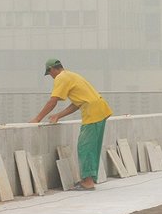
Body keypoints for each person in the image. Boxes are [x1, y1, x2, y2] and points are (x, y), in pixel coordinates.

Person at [30, 58, 113, 191]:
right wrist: (58, 115)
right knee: (92, 147)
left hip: (92, 112)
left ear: (52, 69)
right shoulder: (71, 75)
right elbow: (76, 104)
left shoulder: (61, 78)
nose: (51, 77)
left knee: (85, 147)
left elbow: (53, 101)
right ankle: (89, 179)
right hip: (99, 109)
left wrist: (38, 118)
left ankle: (88, 182)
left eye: (50, 73)